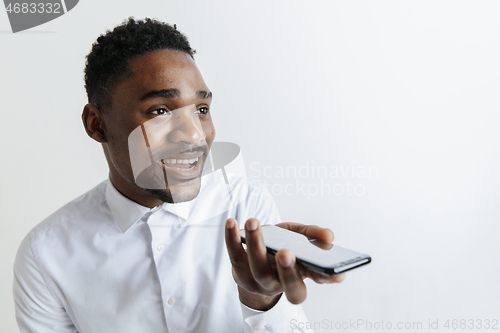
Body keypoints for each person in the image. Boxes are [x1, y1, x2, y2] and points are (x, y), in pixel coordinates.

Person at [13, 17, 345, 333]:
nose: (195, 135)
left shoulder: (245, 205)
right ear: (96, 124)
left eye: (201, 110)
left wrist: (261, 302)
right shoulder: (46, 255)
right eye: (160, 111)